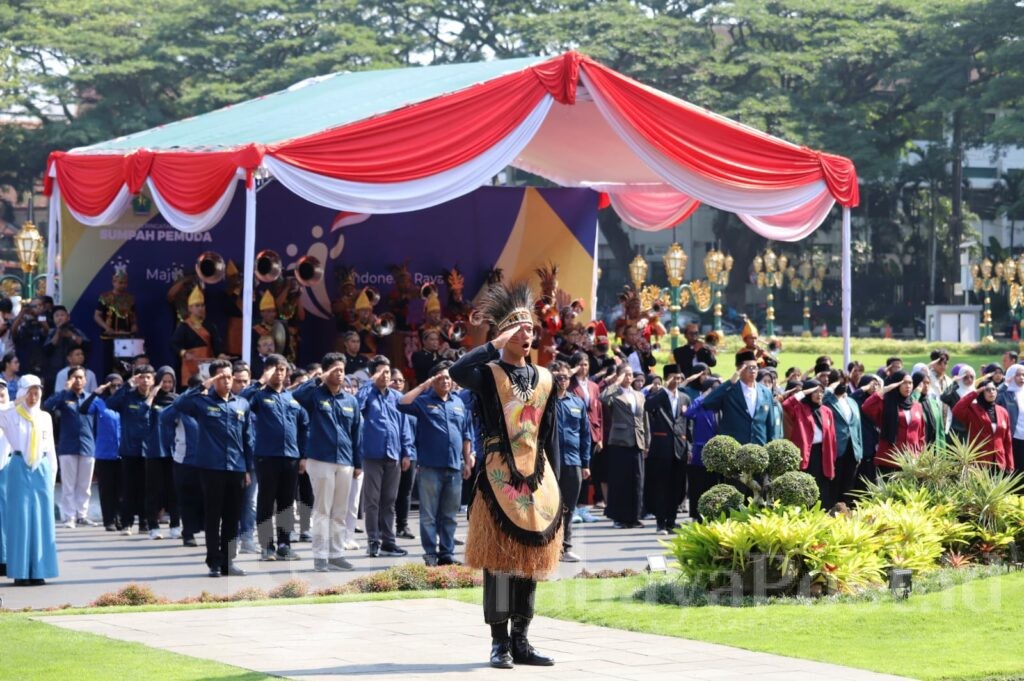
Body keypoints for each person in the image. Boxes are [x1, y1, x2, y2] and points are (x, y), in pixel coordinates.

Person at [448, 281, 560, 670]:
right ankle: (499, 643)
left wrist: (557, 489)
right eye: (519, 329)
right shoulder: (488, 374)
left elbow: (549, 436)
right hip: (497, 474)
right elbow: (457, 370)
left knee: (529, 561)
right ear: (504, 334)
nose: (526, 335)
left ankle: (522, 640)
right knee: (498, 561)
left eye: (531, 329)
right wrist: (493, 344)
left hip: (536, 474)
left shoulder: (547, 379)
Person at [173, 359, 254, 577]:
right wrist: (204, 385)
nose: (227, 381)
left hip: (236, 467)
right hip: (211, 467)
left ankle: (228, 561)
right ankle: (214, 562)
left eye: (229, 377)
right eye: (222, 377)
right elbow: (179, 404)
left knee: (232, 516)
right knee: (213, 516)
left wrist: (248, 468)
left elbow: (248, 439)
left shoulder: (241, 404)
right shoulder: (201, 402)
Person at [292, 353, 363, 572]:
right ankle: (320, 556)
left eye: (342, 370)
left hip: (345, 461)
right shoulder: (314, 395)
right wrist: (320, 377)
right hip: (320, 459)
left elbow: (356, 433)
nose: (340, 374)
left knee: (339, 511)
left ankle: (336, 553)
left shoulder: (350, 400)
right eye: (335, 370)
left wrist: (358, 463)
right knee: (322, 510)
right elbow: (296, 394)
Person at [399, 360, 473, 566]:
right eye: (440, 377)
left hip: (454, 466)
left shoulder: (458, 403)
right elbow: (402, 403)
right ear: (433, 381)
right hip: (430, 466)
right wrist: (424, 385)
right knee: (429, 515)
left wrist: (467, 462)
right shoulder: (423, 401)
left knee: (450, 515)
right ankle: (431, 553)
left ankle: (447, 553)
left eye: (448, 377)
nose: (446, 381)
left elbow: (466, 434)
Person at [245, 354, 308, 561]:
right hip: (266, 456)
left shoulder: (292, 398)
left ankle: (284, 544)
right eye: (275, 369)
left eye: (282, 369)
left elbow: (303, 427)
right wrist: (261, 381)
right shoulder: (259, 396)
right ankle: (266, 546)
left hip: (290, 456)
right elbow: (242, 401)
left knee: (287, 503)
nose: (279, 373)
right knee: (266, 501)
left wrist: (303, 456)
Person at [0, 375, 58, 585]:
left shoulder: (45, 417)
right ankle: (21, 571)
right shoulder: (10, 415)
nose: (33, 397)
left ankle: (39, 570)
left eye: (37, 392)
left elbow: (50, 448)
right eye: (29, 392)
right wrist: (14, 403)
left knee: (42, 520)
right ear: (22, 393)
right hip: (19, 466)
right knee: (20, 519)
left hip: (40, 467)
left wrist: (52, 474)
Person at [356, 355, 412, 559]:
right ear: (373, 375)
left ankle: (389, 541)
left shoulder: (397, 397)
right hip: (372, 454)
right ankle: (373, 540)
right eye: (381, 372)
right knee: (372, 501)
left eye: (388, 372)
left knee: (389, 500)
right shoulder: (366, 394)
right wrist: (368, 384)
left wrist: (407, 452)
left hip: (394, 454)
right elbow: (357, 407)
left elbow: (404, 426)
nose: (386, 375)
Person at [43, 366, 97, 528]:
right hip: (68, 446)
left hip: (87, 445)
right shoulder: (63, 397)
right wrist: (63, 391)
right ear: (69, 379)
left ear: (86, 380)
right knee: (68, 484)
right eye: (75, 377)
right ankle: (69, 516)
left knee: (85, 485)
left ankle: (82, 514)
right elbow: (47, 406)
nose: (78, 380)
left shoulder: (91, 398)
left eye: (81, 377)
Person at [105, 365, 156, 535]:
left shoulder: (156, 398)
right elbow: (110, 404)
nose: (145, 380)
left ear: (153, 380)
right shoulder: (128, 396)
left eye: (148, 377)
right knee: (128, 488)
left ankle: (145, 522)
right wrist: (126, 386)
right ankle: (127, 523)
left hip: (149, 451)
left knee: (147, 489)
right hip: (129, 450)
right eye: (141, 377)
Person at [600, 363, 650, 529]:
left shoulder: (639, 395)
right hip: (620, 442)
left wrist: (647, 443)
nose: (629, 377)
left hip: (637, 441)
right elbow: (603, 398)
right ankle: (618, 517)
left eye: (630, 374)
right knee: (620, 481)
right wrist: (617, 381)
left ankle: (634, 516)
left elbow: (644, 420)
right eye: (625, 374)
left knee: (637, 480)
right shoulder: (615, 393)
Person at [549, 360, 590, 561]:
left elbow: (585, 435)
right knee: (549, 507)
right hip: (549, 462)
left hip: (573, 462)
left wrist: (586, 463)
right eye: (557, 377)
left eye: (565, 377)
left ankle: (565, 547)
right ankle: (547, 548)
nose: (562, 380)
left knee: (569, 508)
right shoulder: (544, 402)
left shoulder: (577, 403)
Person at [159, 374, 203, 547]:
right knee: (187, 499)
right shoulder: (180, 408)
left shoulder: (207, 405)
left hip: (207, 460)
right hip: (184, 461)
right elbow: (164, 418)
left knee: (206, 498)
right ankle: (189, 532)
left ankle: (207, 529)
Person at [644, 371, 690, 534]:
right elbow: (647, 406)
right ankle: (661, 522)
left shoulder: (684, 398)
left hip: (680, 448)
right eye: (673, 378)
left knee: (677, 487)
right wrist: (664, 390)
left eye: (679, 378)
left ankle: (672, 520)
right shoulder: (659, 396)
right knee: (661, 487)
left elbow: (688, 424)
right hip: (662, 448)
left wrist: (688, 447)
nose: (676, 381)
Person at [701, 351, 777, 445]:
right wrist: (730, 382)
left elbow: (771, 425)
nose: (753, 370)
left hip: (759, 449)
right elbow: (707, 403)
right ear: (739, 369)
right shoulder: (730, 390)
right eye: (749, 367)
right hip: (734, 448)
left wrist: (771, 448)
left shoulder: (765, 392)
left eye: (755, 367)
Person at [783, 380, 837, 508]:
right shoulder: (800, 408)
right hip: (806, 452)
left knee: (822, 485)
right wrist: (803, 392)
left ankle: (823, 512)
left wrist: (833, 459)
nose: (819, 394)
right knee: (807, 484)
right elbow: (786, 404)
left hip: (823, 452)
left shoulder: (826, 411)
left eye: (821, 392)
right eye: (815, 391)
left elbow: (832, 436)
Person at [81, 374, 122, 531]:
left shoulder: (124, 401)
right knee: (107, 489)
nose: (116, 389)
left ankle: (120, 518)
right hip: (105, 452)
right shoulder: (99, 402)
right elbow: (83, 409)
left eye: (119, 386)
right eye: (113, 386)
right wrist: (95, 393)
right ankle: (109, 520)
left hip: (122, 451)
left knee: (121, 489)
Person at [861, 371, 926, 472]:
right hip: (890, 460)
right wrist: (885, 389)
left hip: (912, 461)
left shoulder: (917, 406)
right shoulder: (886, 404)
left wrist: (920, 455)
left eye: (910, 383)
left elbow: (921, 435)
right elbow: (866, 407)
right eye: (904, 382)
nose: (908, 386)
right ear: (896, 384)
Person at [143, 366, 180, 540]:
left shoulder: (177, 400)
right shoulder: (152, 400)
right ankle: (153, 526)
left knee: (174, 489)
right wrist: (152, 394)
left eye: (169, 381)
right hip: (155, 450)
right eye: (163, 381)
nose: (166, 385)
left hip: (174, 450)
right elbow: (142, 415)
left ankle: (175, 525)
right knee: (154, 490)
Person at [568, 351, 602, 521]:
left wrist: (600, 436)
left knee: (589, 471)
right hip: (575, 432)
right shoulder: (569, 385)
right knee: (575, 471)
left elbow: (599, 411)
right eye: (580, 364)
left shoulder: (594, 386)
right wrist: (571, 372)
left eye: (586, 364)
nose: (583, 367)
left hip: (592, 434)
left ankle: (583, 508)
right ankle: (572, 507)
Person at [953, 378, 1014, 471]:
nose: (991, 392)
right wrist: (974, 393)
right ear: (981, 392)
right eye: (987, 390)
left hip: (999, 462)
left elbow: (1007, 441)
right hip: (979, 461)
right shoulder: (972, 409)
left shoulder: (1003, 411)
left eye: (993, 389)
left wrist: (1010, 464)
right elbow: (957, 410)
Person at [685, 375, 723, 520]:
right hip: (701, 449)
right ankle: (696, 514)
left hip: (717, 450)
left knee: (714, 483)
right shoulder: (701, 405)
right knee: (699, 484)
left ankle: (714, 514)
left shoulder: (719, 404)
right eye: (714, 388)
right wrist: (704, 396)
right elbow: (688, 413)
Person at [169, 286, 223, 388]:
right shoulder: (184, 326)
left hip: (207, 363)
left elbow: (217, 344)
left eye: (202, 306)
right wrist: (184, 353)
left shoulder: (210, 326)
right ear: (190, 308)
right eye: (197, 306)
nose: (200, 308)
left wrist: (220, 354)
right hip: (190, 364)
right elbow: (174, 343)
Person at [823, 372, 863, 506]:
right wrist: (830, 388)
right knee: (835, 480)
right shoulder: (828, 401)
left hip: (853, 447)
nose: (843, 385)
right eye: (839, 382)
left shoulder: (851, 401)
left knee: (849, 480)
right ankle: (833, 507)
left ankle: (847, 508)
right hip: (837, 447)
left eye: (845, 382)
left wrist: (859, 450)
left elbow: (857, 426)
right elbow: (821, 399)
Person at [389, 369, 418, 539]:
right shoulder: (388, 401)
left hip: (412, 454)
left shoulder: (411, 402)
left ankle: (402, 525)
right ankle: (383, 527)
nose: (398, 383)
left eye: (400, 380)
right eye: (394, 380)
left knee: (405, 492)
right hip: (392, 453)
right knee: (389, 493)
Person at [94, 269, 139, 375]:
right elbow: (97, 316)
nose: (123, 285)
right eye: (120, 282)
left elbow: (133, 315)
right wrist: (106, 327)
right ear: (113, 282)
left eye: (125, 283)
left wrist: (134, 325)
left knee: (126, 366)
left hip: (127, 336)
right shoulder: (105, 297)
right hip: (110, 337)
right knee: (109, 366)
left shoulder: (130, 298)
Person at [43, 305, 90, 392]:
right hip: (54, 372)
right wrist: (58, 333)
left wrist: (71, 335)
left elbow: (87, 345)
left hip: (74, 371)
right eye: (57, 316)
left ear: (68, 317)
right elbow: (47, 350)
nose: (60, 318)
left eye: (62, 315)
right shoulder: (51, 333)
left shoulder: (75, 331)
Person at [12, 299, 49, 378]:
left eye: (40, 305)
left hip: (39, 361)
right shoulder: (23, 320)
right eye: (34, 306)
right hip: (24, 360)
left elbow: (47, 330)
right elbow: (14, 331)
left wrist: (38, 315)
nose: (37, 307)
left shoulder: (45, 318)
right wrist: (22, 313)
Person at [997, 364, 1024, 473]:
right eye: (1017, 375)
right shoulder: (1005, 394)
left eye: (1023, 374)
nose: (1022, 377)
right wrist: (1006, 384)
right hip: (1013, 439)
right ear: (1011, 376)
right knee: (1015, 470)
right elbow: (993, 397)